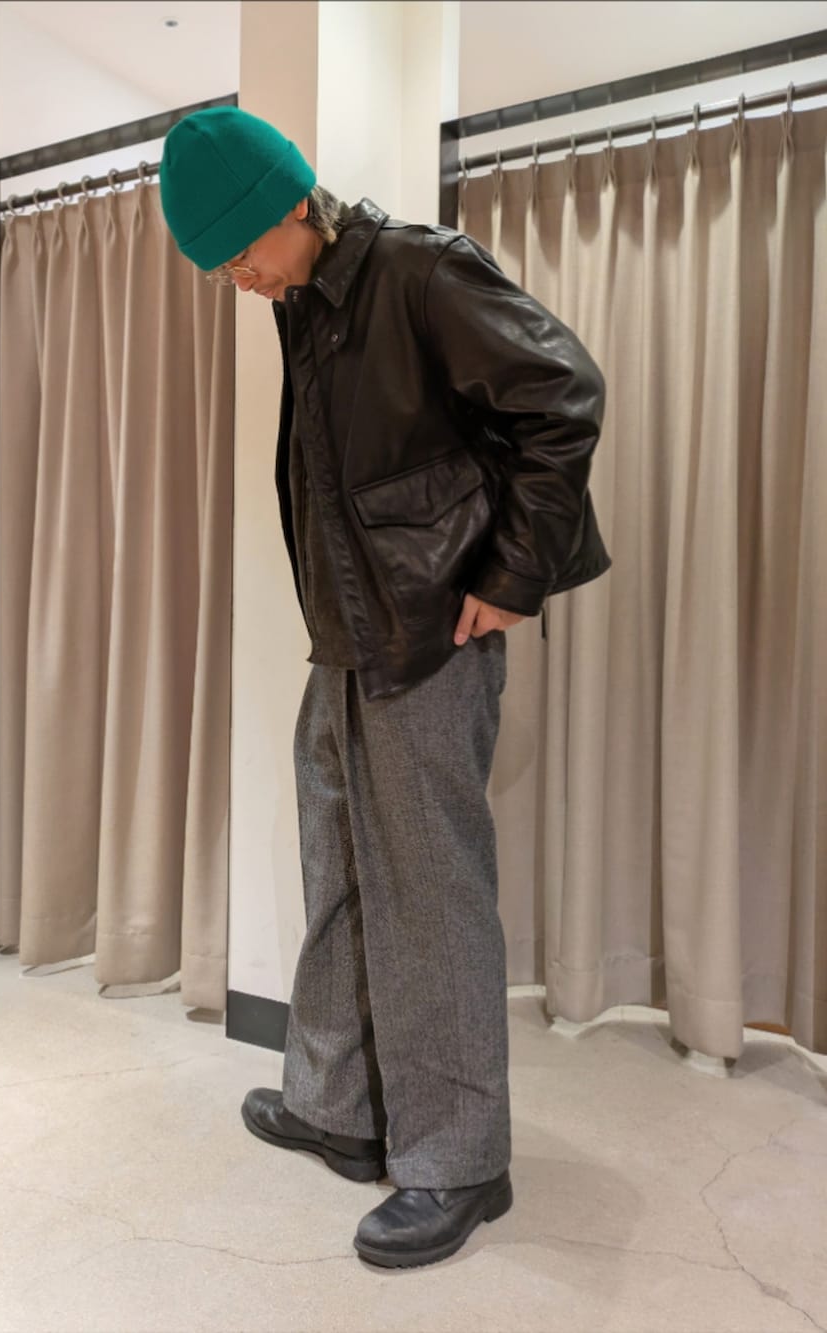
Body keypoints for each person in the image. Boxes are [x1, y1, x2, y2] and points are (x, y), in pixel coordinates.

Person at [159, 105, 609, 1270]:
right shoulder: (306, 299)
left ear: (289, 203)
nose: (238, 280)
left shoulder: (420, 271)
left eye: (240, 254)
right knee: (340, 863)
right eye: (221, 268)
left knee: (428, 889)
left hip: (431, 633)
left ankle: (458, 1160)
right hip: (351, 632)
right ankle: (340, 1103)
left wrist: (512, 577)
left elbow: (564, 395)